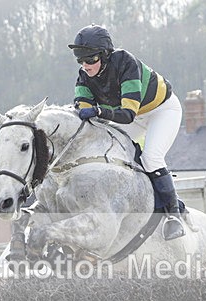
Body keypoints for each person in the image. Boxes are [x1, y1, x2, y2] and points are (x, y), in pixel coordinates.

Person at [69, 24, 185, 240]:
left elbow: (127, 115)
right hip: (133, 114)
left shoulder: (125, 62)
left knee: (151, 157)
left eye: (91, 59)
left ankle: (173, 215)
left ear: (104, 55)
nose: (86, 65)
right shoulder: (84, 76)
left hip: (162, 110)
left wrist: (98, 110)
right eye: (81, 60)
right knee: (111, 152)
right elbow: (83, 109)